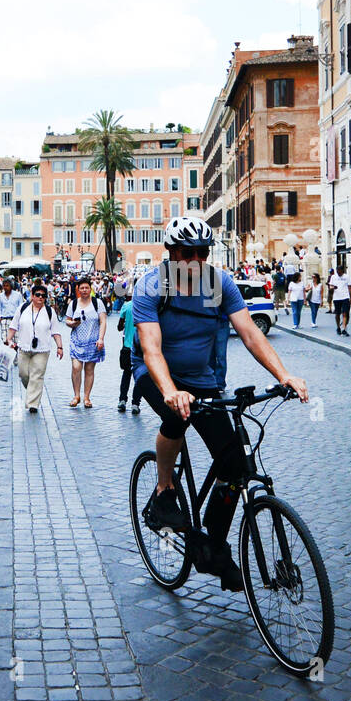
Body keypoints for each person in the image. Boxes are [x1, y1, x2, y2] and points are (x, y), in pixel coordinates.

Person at [134, 216, 309, 591]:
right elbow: (150, 347)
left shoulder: (218, 284)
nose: (196, 260)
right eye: (188, 253)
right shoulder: (152, 286)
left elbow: (249, 333)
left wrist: (284, 376)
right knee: (175, 416)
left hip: (202, 380)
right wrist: (170, 389)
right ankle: (165, 489)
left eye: (203, 252)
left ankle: (214, 546)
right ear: (172, 252)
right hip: (155, 374)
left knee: (234, 464)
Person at [8, 285, 64, 413]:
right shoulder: (22, 309)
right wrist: (9, 340)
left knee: (37, 376)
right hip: (23, 347)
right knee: (24, 374)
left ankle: (33, 404)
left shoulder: (50, 312)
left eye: (43, 296)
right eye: (38, 295)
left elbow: (55, 331)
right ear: (32, 296)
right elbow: (13, 326)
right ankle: (34, 392)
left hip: (42, 350)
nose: (40, 298)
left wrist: (59, 347)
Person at [65, 276, 106, 408]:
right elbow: (67, 320)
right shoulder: (74, 304)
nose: (84, 290)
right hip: (77, 341)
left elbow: (103, 321)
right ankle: (76, 395)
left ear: (90, 289)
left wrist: (101, 338)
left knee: (89, 370)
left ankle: (87, 397)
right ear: (78, 289)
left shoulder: (97, 303)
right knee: (76, 368)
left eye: (86, 288)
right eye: (81, 288)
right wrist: (73, 323)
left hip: (93, 342)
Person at [114, 289, 141, 414]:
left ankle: (122, 400)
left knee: (126, 374)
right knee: (139, 377)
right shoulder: (146, 307)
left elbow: (119, 327)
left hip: (127, 346)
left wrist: (126, 324)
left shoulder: (127, 306)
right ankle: (135, 403)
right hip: (142, 347)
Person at [329, 264, 351, 335]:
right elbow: (330, 286)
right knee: (337, 314)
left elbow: (349, 287)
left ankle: (344, 328)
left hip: (345, 297)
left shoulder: (347, 276)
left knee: (345, 313)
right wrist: (333, 288)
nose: (338, 272)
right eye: (337, 271)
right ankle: (338, 327)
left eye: (339, 271)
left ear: (342, 270)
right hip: (336, 297)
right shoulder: (333, 277)